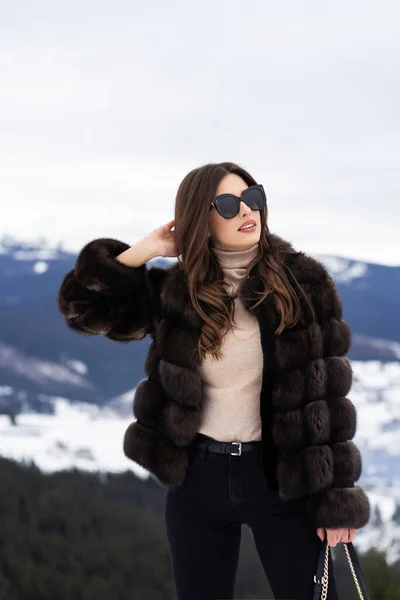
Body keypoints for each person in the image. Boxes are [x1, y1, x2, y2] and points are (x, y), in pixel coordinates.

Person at [57, 161, 370, 600]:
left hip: (281, 480)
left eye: (253, 197)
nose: (247, 211)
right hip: (196, 480)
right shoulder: (176, 290)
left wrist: (336, 500)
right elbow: (82, 309)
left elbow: (329, 399)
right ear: (199, 217)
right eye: (228, 204)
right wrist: (142, 251)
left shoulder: (304, 283)